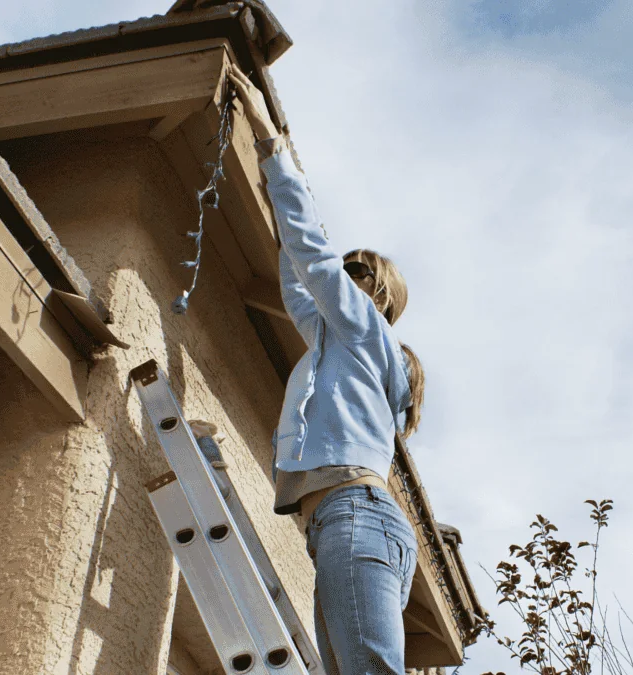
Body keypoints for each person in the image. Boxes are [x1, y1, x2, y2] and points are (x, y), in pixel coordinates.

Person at [226, 64, 426, 675]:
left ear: (379, 293)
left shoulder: (366, 329)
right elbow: (298, 278)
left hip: (355, 518)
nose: (343, 275)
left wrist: (270, 141)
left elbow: (311, 256)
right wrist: (279, 197)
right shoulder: (338, 346)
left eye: (355, 271)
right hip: (342, 526)